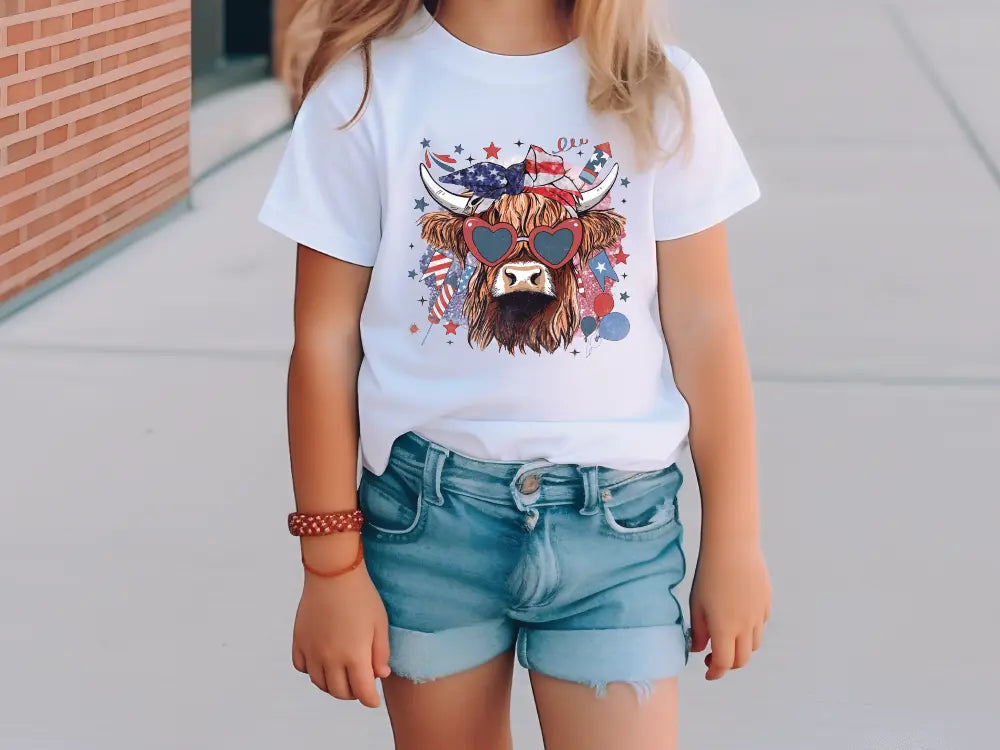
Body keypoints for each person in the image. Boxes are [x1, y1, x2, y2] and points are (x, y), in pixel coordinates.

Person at [259, 0, 771, 747]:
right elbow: (324, 339)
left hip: (616, 531)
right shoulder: (364, 89)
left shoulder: (658, 90)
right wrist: (330, 567)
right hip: (427, 524)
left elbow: (706, 327)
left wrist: (736, 539)